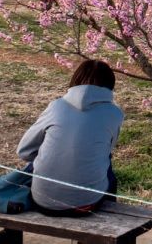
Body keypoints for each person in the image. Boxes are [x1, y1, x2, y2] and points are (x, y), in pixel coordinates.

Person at [17, 59, 123, 215]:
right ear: (110, 85)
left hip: (42, 200)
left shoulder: (56, 106)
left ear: (75, 79)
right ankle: (110, 223)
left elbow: (24, 151)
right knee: (108, 168)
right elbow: (106, 151)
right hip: (86, 204)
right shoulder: (115, 113)